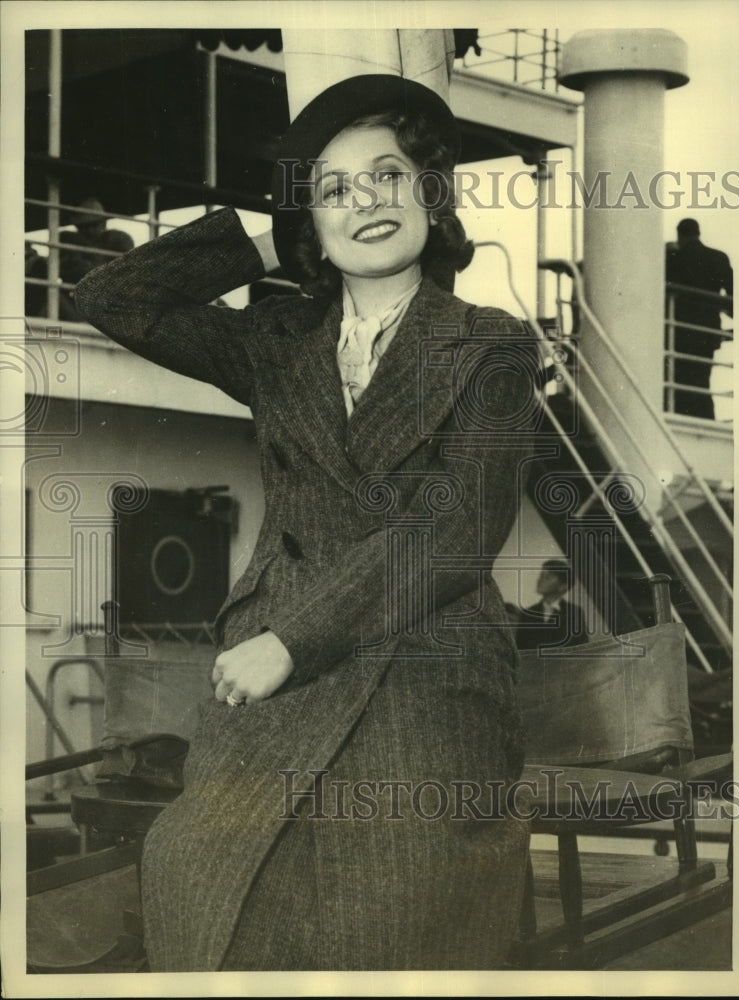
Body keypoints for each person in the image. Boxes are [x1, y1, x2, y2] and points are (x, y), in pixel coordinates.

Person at [74, 74, 539, 972]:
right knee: (197, 874)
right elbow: (111, 299)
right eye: (334, 191)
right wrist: (261, 238)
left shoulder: (490, 342)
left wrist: (294, 637)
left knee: (395, 898)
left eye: (388, 176)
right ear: (310, 228)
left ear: (429, 194)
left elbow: (460, 526)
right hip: (272, 675)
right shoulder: (272, 339)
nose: (366, 203)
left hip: (423, 659)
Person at [664, 218, 733, 420]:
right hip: (706, 333)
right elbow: (732, 297)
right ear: (698, 233)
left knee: (678, 380)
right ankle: (704, 420)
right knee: (701, 380)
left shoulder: (673, 258)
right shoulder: (718, 258)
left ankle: (683, 415)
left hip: (677, 331)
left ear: (680, 235)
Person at [516, 558, 588, 650]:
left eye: (547, 577)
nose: (540, 580)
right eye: (541, 575)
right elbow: (520, 649)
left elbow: (582, 648)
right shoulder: (527, 613)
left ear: (563, 586)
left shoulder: (575, 613)